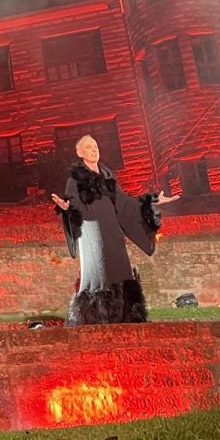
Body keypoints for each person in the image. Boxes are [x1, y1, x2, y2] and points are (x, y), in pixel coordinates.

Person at [50, 135, 178, 325]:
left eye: (95, 146)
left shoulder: (108, 179)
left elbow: (125, 204)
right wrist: (67, 208)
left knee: (120, 271)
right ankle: (95, 318)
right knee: (98, 273)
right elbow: (75, 207)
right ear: (80, 153)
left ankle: (126, 317)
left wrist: (153, 201)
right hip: (92, 235)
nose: (94, 150)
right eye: (89, 147)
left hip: (112, 232)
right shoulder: (74, 181)